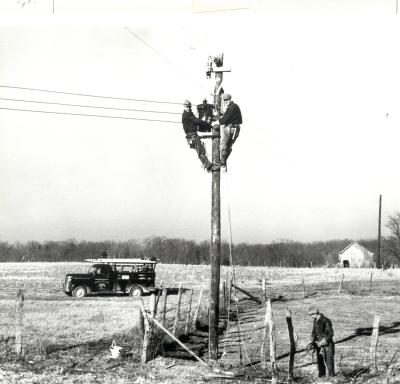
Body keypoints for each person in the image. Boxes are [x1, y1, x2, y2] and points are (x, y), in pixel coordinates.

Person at [182, 99, 220, 172]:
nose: (188, 108)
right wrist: (207, 124)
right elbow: (197, 121)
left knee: (201, 150)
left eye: (189, 106)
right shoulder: (187, 115)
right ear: (184, 107)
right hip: (192, 136)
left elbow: (196, 121)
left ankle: (209, 166)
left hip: (191, 136)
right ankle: (209, 167)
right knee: (201, 152)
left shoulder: (188, 114)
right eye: (187, 107)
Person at [213, 93, 242, 171]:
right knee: (228, 146)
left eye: (227, 101)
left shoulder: (231, 108)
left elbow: (225, 119)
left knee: (223, 146)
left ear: (230, 100)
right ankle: (223, 163)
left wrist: (217, 122)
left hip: (231, 128)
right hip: (235, 129)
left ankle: (222, 163)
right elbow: (227, 116)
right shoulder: (234, 106)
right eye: (225, 101)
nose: (226, 102)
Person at [306, 305, 335, 379]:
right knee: (320, 363)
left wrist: (321, 343)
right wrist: (311, 343)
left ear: (315, 313)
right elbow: (314, 333)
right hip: (318, 346)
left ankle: (332, 379)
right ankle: (321, 379)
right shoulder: (315, 321)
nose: (310, 316)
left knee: (329, 363)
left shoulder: (326, 320)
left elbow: (330, 334)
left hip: (327, 345)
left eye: (311, 315)